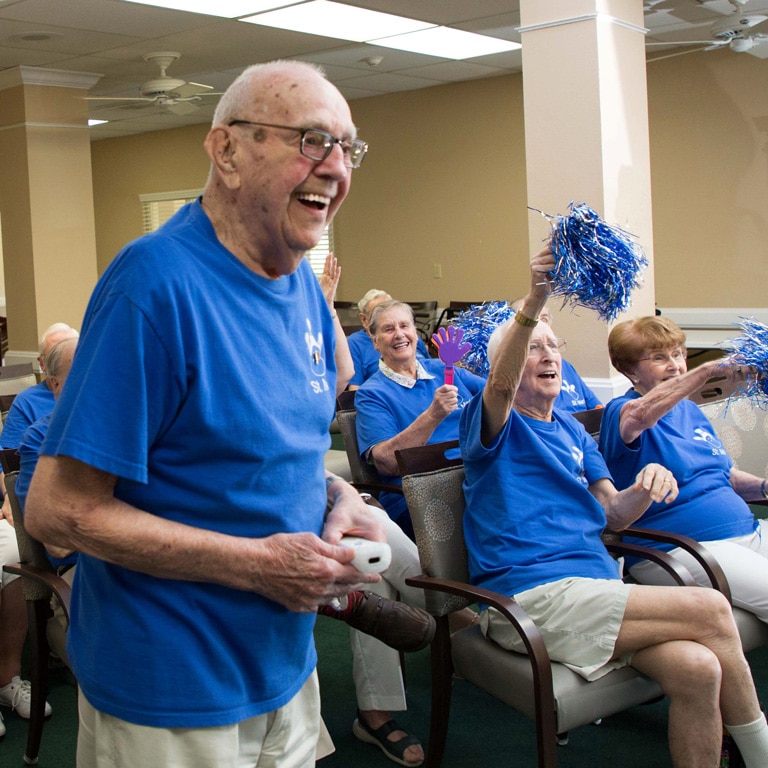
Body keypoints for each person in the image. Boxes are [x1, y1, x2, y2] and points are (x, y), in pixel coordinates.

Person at [24, 60, 390, 768]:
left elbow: (276, 451)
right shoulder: (152, 285)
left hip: (284, 665)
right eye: (313, 140)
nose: (337, 167)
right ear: (226, 151)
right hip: (170, 686)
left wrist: (339, 497)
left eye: (349, 147)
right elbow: (56, 511)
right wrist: (258, 566)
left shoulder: (304, 290)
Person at [460, 247, 768, 767]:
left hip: (598, 588)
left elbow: (615, 516)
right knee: (712, 608)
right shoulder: (494, 422)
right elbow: (501, 384)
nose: (550, 356)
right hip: (531, 596)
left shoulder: (576, 435)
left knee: (700, 669)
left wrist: (645, 487)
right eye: (534, 349)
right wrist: (536, 300)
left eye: (554, 347)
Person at [599, 316, 768, 616]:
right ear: (629, 370)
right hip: (680, 550)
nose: (674, 365)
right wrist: (709, 370)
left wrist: (763, 486)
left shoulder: (689, 411)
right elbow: (640, 416)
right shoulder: (621, 414)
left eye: (678, 354)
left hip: (747, 532)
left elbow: (724, 476)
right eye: (659, 358)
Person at [355, 300, 485, 538]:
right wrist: (433, 415)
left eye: (405, 325)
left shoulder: (443, 368)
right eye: (388, 329)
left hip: (475, 476)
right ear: (374, 341)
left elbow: (496, 396)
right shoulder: (371, 394)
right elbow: (386, 461)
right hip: (421, 492)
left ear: (415, 332)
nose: (399, 334)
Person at [510, 298, 601, 413]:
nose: (539, 325)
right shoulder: (510, 374)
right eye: (530, 319)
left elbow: (597, 409)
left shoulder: (564, 366)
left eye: (543, 319)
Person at [347, 290, 430, 389]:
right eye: (377, 312)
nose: (399, 334)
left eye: (404, 325)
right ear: (364, 319)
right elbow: (354, 389)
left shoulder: (409, 336)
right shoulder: (355, 342)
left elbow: (431, 368)